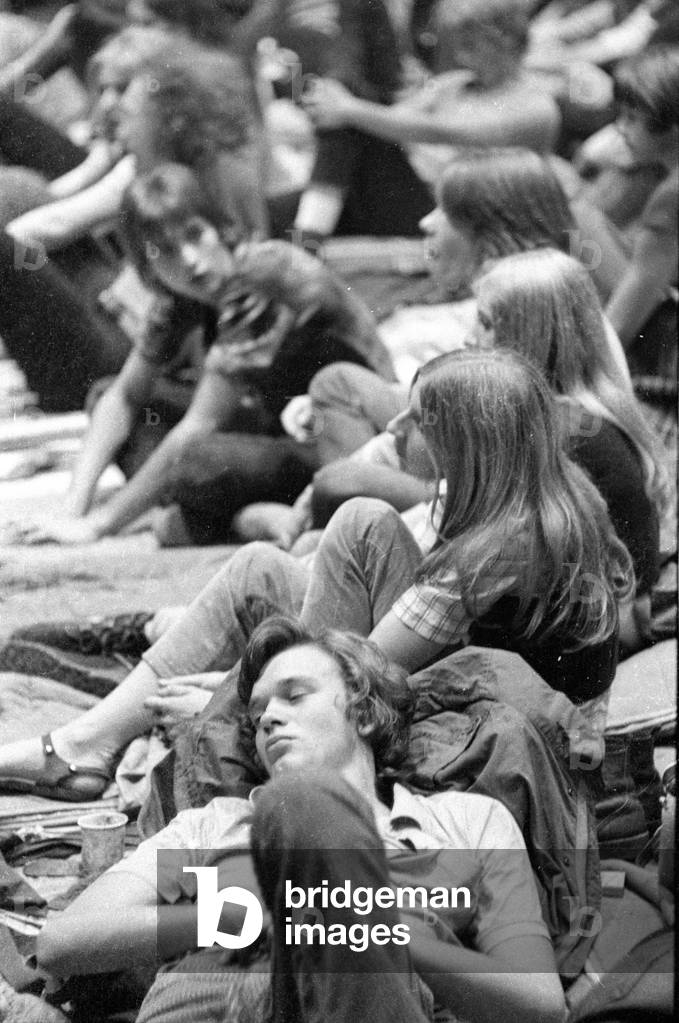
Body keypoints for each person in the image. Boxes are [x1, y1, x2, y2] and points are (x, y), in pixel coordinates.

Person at [0, 348, 632, 799]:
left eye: (416, 420)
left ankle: (93, 742)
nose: (395, 427)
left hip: (476, 726)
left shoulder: (498, 549)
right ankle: (93, 741)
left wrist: (237, 697)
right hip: (468, 687)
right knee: (269, 562)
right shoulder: (542, 492)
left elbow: (361, 672)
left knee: (356, 521)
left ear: (464, 442)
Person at [35, 617, 566, 1023]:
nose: (268, 717)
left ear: (363, 711)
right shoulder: (213, 824)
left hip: (368, 1003)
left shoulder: (469, 822)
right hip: (213, 1001)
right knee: (299, 809)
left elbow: (541, 1002)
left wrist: (372, 929)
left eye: (294, 696)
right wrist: (241, 916)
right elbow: (62, 942)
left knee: (312, 809)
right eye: (258, 713)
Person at [8, 163, 394, 546]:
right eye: (166, 252)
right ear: (148, 267)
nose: (190, 259)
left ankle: (237, 517)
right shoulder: (178, 298)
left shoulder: (262, 274)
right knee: (108, 398)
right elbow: (124, 396)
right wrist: (72, 509)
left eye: (195, 235)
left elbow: (201, 424)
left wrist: (99, 524)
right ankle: (209, 510)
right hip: (280, 429)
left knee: (197, 460)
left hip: (350, 441)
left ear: (219, 228)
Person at [0, 36, 267, 412]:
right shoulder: (148, 163)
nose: (110, 106)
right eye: (107, 91)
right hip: (119, 313)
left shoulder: (203, 181)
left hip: (121, 352)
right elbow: (57, 212)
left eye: (123, 93)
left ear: (171, 112)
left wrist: (13, 259)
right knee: (17, 202)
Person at [299, 0, 561, 238]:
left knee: (351, 116)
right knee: (345, 129)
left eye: (470, 45)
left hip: (467, 215)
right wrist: (338, 107)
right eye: (458, 44)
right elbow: (389, 120)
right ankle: (307, 236)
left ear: (505, 40)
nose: (460, 56)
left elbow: (446, 132)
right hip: (410, 197)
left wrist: (349, 109)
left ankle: (309, 237)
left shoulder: (536, 106)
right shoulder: (452, 84)